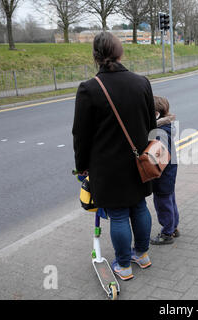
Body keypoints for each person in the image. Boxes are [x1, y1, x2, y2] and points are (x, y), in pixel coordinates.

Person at [72, 32, 156, 281]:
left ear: (95, 56)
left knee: (118, 214)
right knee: (140, 206)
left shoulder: (89, 89)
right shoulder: (142, 82)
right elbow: (151, 124)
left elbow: (80, 134)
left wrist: (82, 167)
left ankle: (123, 266)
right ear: (120, 53)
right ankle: (142, 255)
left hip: (108, 166)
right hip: (140, 161)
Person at [150, 96, 180, 245]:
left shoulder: (159, 131)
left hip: (163, 173)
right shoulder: (167, 127)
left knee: (162, 203)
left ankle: (167, 232)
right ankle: (174, 227)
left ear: (156, 114)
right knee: (170, 199)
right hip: (170, 171)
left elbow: (160, 156)